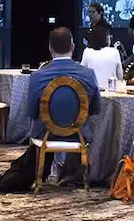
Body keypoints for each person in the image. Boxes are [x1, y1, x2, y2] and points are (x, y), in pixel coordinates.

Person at [27, 28, 102, 185]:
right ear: (73, 47)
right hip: (79, 134)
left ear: (50, 48)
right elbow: (95, 109)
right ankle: (75, 175)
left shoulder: (36, 76)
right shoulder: (88, 74)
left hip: (45, 135)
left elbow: (32, 113)